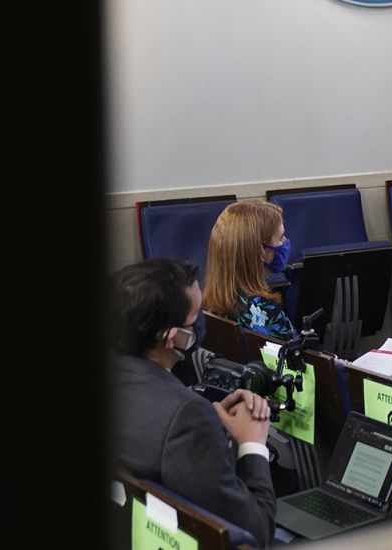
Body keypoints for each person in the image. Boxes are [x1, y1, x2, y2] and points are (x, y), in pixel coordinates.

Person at [110, 257, 276, 546]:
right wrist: (252, 444)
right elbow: (255, 534)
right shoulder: (187, 416)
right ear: (172, 337)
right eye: (195, 316)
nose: (200, 324)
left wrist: (211, 430)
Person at [203, 200, 296, 339]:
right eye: (281, 237)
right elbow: (298, 360)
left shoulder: (212, 305)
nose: (285, 242)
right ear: (260, 251)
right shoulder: (262, 312)